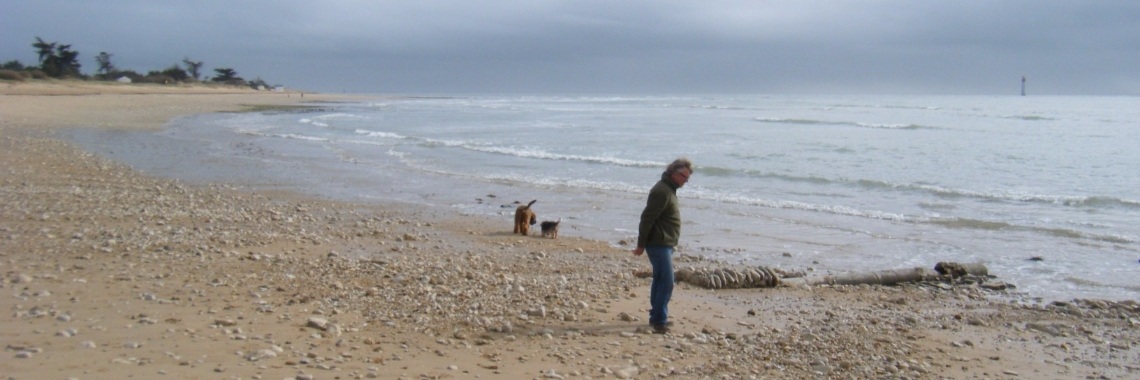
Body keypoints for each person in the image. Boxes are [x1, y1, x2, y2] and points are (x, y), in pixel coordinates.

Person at [632, 157, 692, 334]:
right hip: (658, 243)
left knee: (660, 279)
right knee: (667, 281)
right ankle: (659, 320)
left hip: (665, 243)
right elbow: (647, 218)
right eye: (683, 176)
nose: (685, 181)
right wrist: (641, 245)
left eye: (688, 178)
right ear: (673, 172)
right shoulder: (663, 191)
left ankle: (657, 317)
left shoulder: (669, 189)